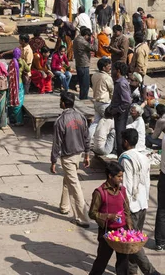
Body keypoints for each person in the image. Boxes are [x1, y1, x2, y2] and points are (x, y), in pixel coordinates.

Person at [119, 129, 161, 275]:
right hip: (142, 203)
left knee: (133, 243)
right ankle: (131, 271)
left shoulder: (126, 159)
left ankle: (150, 271)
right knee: (133, 239)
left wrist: (125, 210)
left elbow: (126, 186)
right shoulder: (143, 157)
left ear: (125, 141)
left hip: (132, 206)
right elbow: (147, 183)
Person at [50, 92, 90, 227]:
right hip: (78, 154)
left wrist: (53, 161)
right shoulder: (81, 117)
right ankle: (64, 206)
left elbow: (57, 143)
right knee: (68, 180)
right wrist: (87, 154)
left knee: (74, 185)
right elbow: (87, 137)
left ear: (63, 103)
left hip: (67, 156)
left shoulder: (61, 121)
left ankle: (82, 218)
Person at [88, 161, 132, 275]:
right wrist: (109, 216)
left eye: (122, 176)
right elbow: (92, 213)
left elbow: (126, 210)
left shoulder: (122, 190)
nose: (121, 179)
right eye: (118, 176)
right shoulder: (100, 192)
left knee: (123, 262)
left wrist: (130, 228)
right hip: (107, 233)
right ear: (110, 176)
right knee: (101, 261)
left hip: (122, 231)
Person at [107, 61, 132, 157]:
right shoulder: (120, 82)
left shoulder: (121, 83)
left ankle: (121, 157)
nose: (112, 71)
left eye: (113, 69)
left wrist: (118, 109)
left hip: (121, 113)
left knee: (120, 135)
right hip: (119, 111)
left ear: (118, 71)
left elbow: (127, 101)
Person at [89, 57, 113, 139]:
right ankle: (103, 139)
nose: (110, 67)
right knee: (108, 121)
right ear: (103, 67)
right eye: (108, 66)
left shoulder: (94, 75)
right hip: (105, 103)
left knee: (96, 122)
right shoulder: (106, 77)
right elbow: (112, 90)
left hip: (96, 102)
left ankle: (88, 139)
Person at [73, 27, 95, 100]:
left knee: (82, 83)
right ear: (86, 35)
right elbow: (95, 48)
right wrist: (95, 39)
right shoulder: (83, 41)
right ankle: (84, 97)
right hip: (84, 64)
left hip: (78, 63)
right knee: (85, 84)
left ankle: (82, 96)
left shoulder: (76, 39)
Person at [8, 48, 27, 126]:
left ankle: (12, 119)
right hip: (19, 85)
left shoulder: (11, 62)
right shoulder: (22, 62)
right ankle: (19, 120)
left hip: (11, 85)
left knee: (12, 101)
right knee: (18, 102)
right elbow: (28, 69)